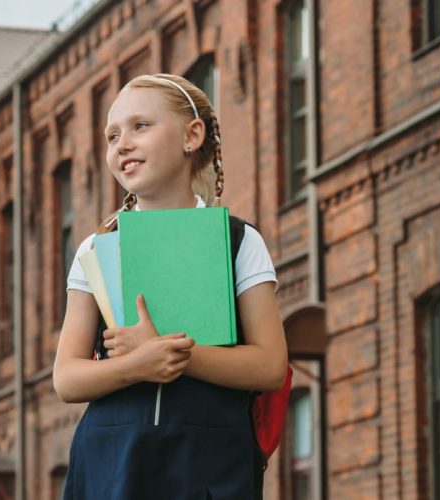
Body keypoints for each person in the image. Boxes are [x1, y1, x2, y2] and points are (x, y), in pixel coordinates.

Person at [53, 73, 288, 499]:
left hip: (209, 461)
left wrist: (175, 353)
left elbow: (270, 366)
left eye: (141, 126)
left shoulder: (237, 240)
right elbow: (67, 378)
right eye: (112, 135)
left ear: (191, 135)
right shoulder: (98, 247)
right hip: (111, 462)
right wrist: (136, 365)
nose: (122, 143)